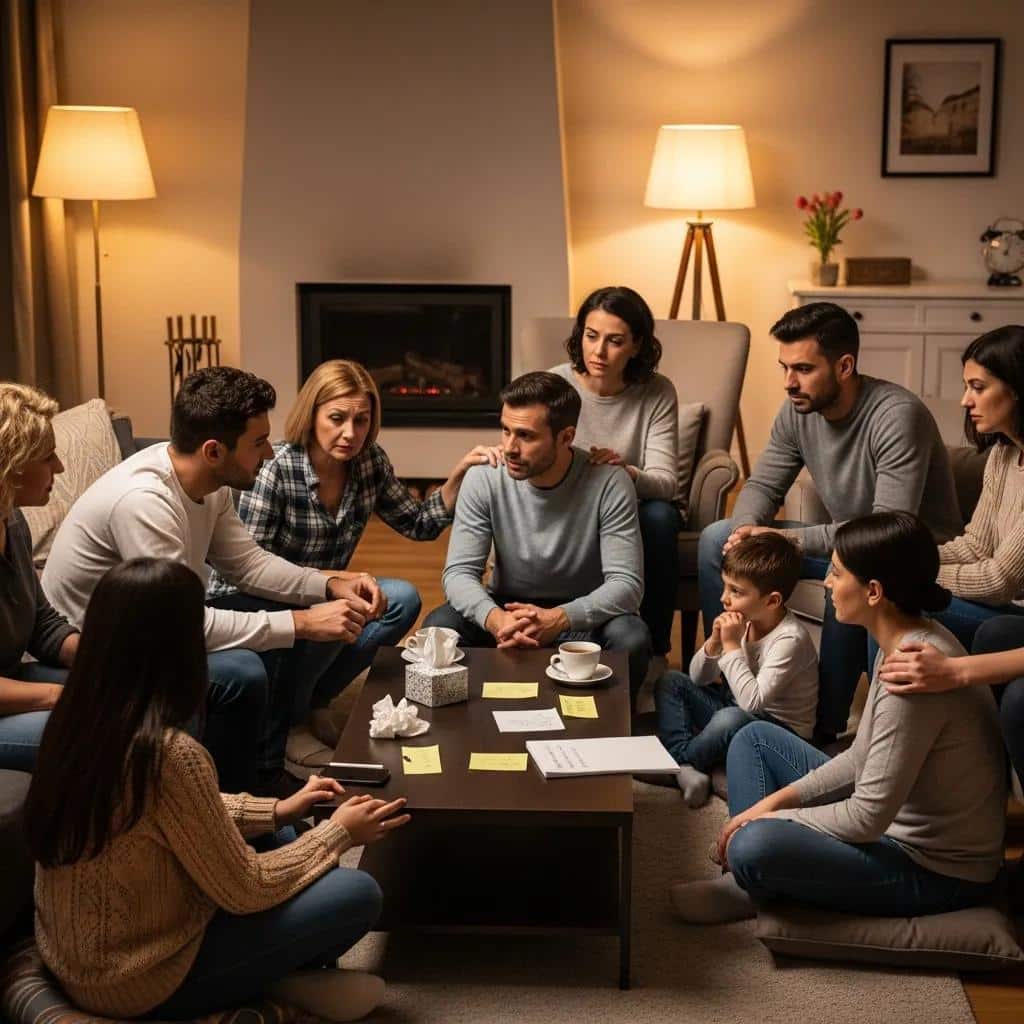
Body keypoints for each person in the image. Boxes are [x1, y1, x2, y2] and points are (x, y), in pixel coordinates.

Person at [26, 557, 409, 1021]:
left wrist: (278, 810)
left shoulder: (73, 722)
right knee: (355, 892)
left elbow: (170, 811)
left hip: (80, 960)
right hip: (138, 981)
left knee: (282, 837)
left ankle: (285, 982)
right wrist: (339, 834)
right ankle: (277, 988)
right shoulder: (168, 753)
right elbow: (246, 888)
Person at [42, 367, 378, 797]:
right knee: (242, 671)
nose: (270, 455)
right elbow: (181, 627)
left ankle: (257, 784)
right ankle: (232, 803)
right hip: (103, 650)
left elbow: (248, 565)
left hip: (155, 630)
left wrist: (328, 585)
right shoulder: (146, 504)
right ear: (215, 450)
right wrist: (302, 624)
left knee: (272, 630)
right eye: (258, 444)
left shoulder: (209, 479)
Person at [672, 512, 1004, 924]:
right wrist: (772, 802)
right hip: (894, 827)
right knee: (753, 736)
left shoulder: (912, 675)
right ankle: (750, 881)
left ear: (874, 592)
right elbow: (859, 757)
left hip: (934, 869)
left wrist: (771, 818)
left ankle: (750, 880)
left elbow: (866, 818)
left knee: (753, 845)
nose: (827, 582)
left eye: (837, 572)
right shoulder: (907, 639)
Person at [698, 301, 960, 742]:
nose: (789, 383)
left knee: (849, 573)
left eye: (802, 368)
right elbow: (763, 484)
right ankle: (731, 679)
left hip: (904, 557)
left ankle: (822, 729)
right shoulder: (797, 411)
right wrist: (746, 529)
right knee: (717, 538)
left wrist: (798, 544)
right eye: (784, 367)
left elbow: (887, 528)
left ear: (844, 365)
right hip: (847, 544)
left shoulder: (896, 416)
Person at [207, 359, 499, 749]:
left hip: (323, 593)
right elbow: (251, 569)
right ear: (312, 415)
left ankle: (314, 701)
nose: (350, 433)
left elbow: (419, 524)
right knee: (336, 609)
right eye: (337, 418)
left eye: (361, 420)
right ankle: (290, 726)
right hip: (252, 598)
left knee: (401, 598)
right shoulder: (274, 467)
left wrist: (457, 477)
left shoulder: (369, 462)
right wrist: (331, 586)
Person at [422, 371, 651, 701]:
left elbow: (627, 587)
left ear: (565, 437)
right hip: (506, 612)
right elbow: (458, 573)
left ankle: (607, 729)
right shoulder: (484, 477)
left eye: (526, 436)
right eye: (505, 431)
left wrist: (558, 619)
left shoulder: (609, 482)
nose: (509, 448)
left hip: (579, 617)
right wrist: (495, 619)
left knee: (632, 637)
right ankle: (466, 717)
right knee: (439, 627)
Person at [549, 286, 680, 662]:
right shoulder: (556, 383)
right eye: (591, 336)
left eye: (615, 341)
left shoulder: (656, 391)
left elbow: (666, 483)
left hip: (629, 508)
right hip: (566, 502)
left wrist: (624, 470)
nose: (598, 352)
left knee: (660, 516)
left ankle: (655, 650)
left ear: (637, 346)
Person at [655, 532, 817, 808]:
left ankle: (680, 764)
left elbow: (751, 703)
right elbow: (698, 678)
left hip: (777, 730)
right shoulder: (745, 620)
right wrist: (715, 644)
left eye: (736, 592)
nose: (724, 598)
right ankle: (691, 764)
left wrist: (731, 646)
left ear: (772, 601)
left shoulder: (790, 639)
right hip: (734, 707)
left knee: (730, 718)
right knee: (671, 681)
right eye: (725, 587)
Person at [927, 326, 1024, 649]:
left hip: (1014, 613)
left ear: (1017, 389)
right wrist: (909, 558)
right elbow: (976, 548)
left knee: (892, 596)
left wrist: (911, 574)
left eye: (978, 387)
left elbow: (1000, 581)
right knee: (878, 585)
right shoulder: (1004, 454)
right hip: (1005, 607)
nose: (965, 400)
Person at [0, 383, 78, 770]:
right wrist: (56, 695)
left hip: (13, 682)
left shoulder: (12, 522)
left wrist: (104, 659)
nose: (60, 467)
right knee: (97, 727)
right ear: (10, 463)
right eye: (48, 457)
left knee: (146, 695)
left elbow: (42, 625)